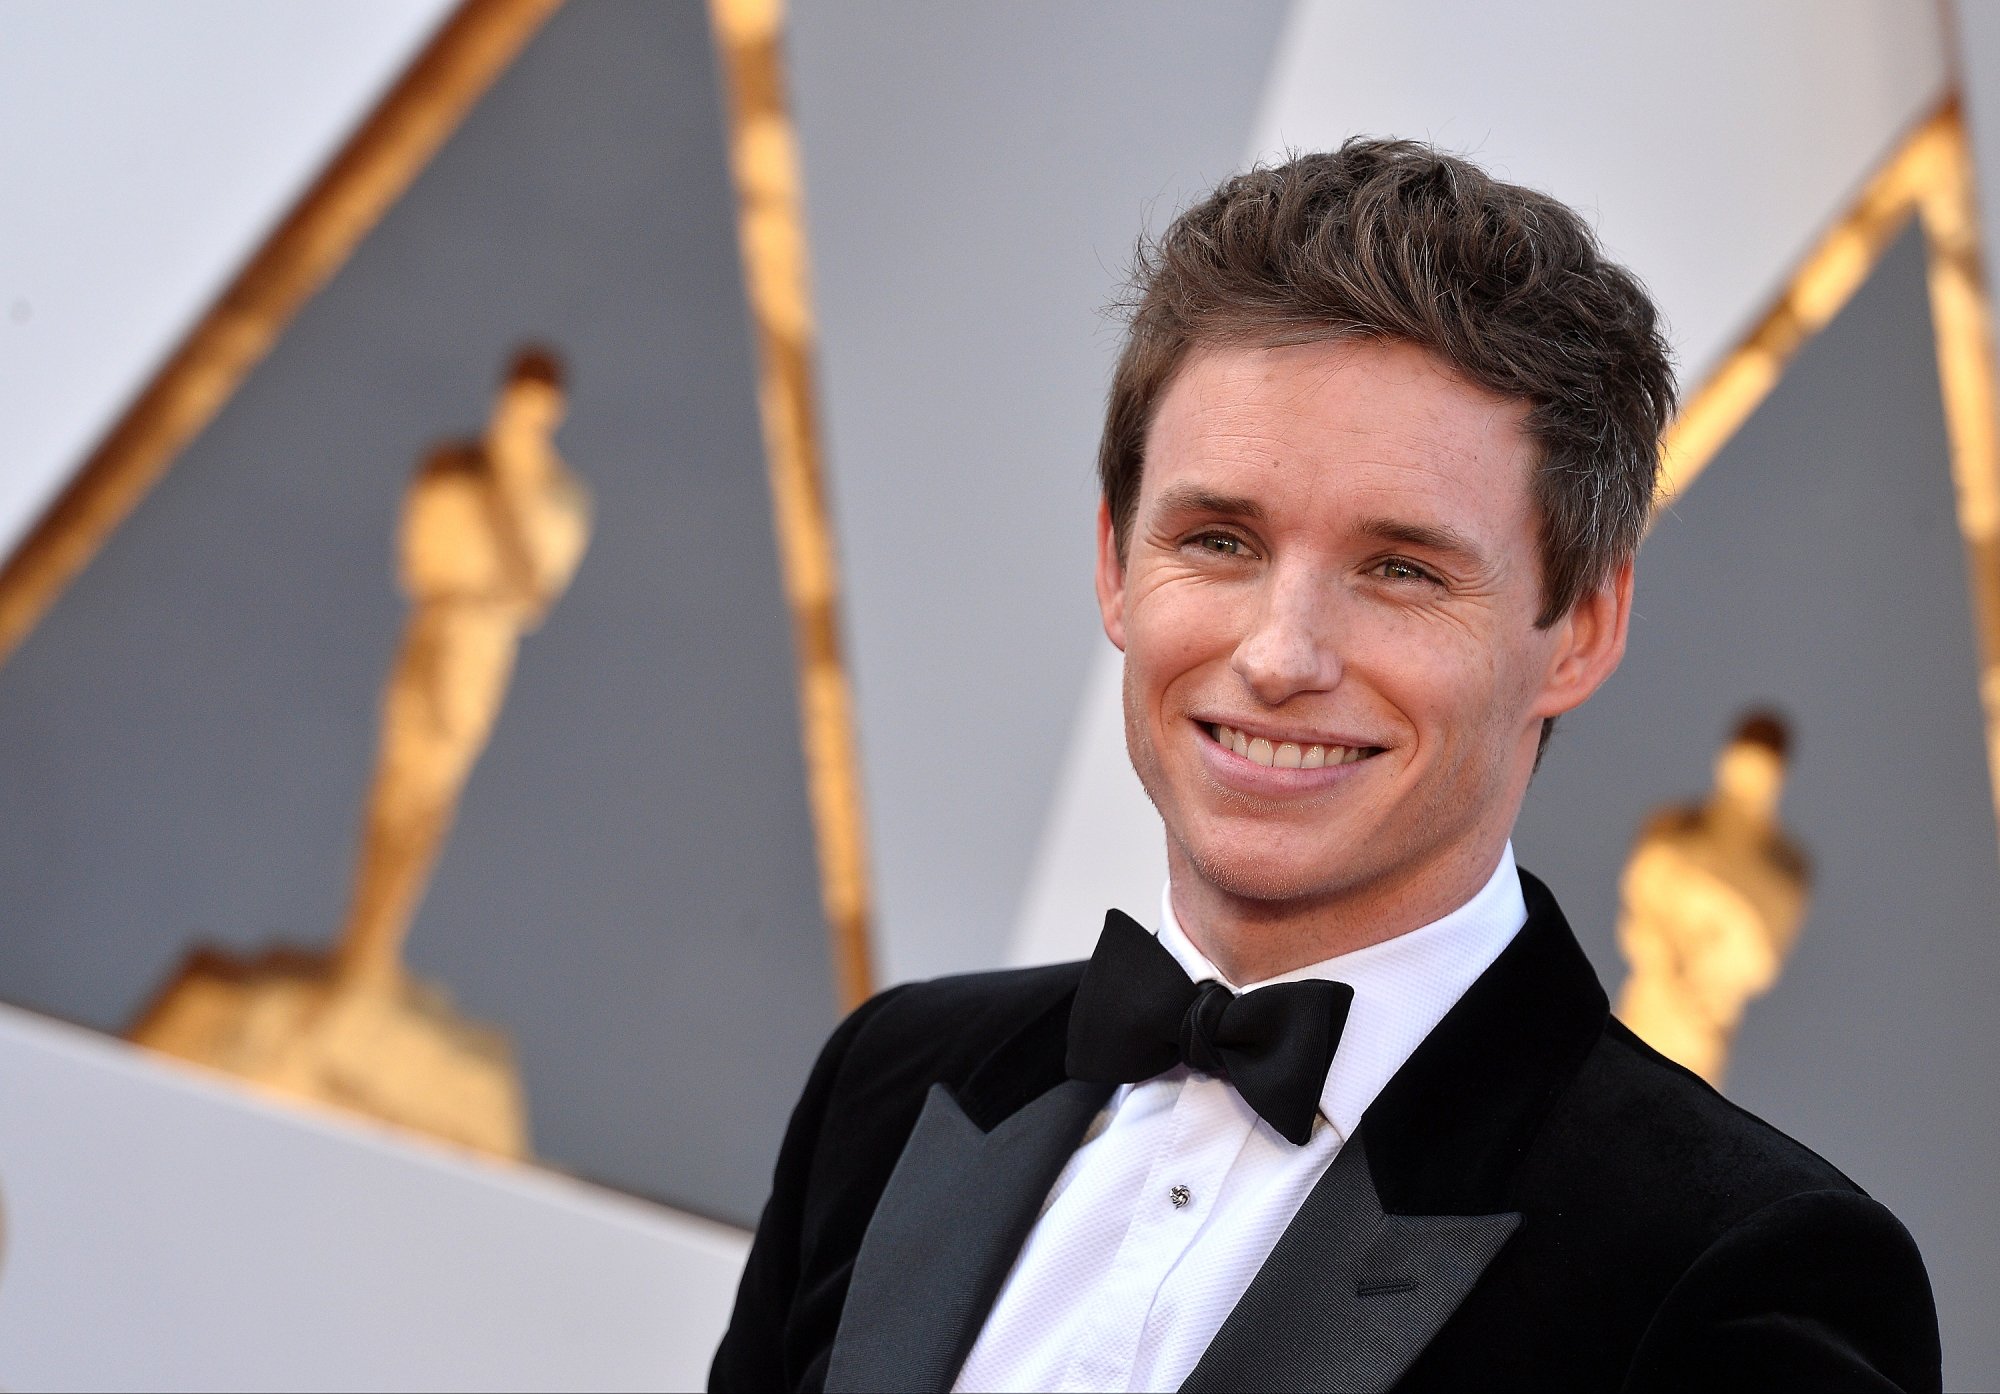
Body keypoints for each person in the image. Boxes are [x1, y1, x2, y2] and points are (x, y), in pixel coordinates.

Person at [709, 139, 1940, 1393]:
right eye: (1219, 539)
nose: (1279, 654)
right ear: (1112, 562)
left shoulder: (1737, 1269)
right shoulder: (896, 1080)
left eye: (1398, 568)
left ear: (1579, 628)